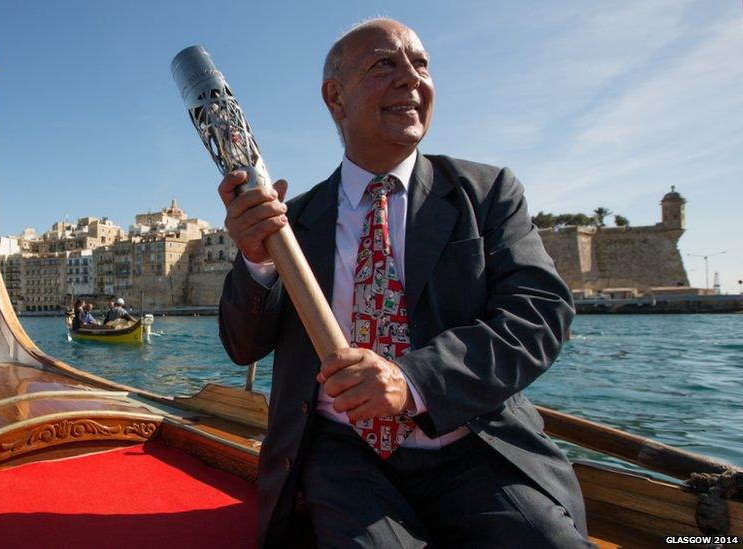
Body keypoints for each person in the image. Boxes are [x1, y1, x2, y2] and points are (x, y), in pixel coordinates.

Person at [217, 18, 591, 548]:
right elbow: (242, 346)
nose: (411, 78)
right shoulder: (291, 225)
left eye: (420, 65)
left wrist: (412, 381)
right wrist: (255, 261)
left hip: (474, 444)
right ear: (335, 97)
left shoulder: (486, 194)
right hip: (343, 452)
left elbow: (539, 315)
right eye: (384, 65)